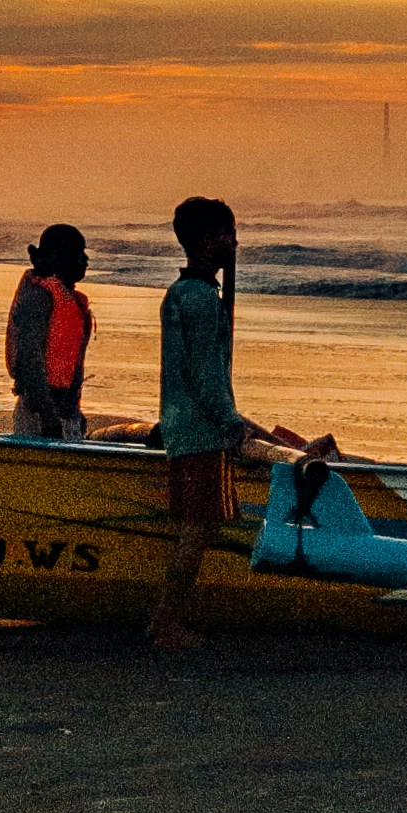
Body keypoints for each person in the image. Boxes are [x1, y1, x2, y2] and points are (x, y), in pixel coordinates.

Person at [147, 197, 305, 651]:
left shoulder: (186, 292)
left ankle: (166, 620)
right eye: (225, 235)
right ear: (201, 241)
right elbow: (204, 372)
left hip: (188, 422)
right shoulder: (198, 299)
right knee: (197, 529)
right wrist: (230, 422)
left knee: (200, 527)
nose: (234, 243)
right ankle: (165, 623)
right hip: (199, 430)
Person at [2, 224, 94, 441]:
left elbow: (74, 368)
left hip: (64, 409)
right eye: (78, 253)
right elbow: (29, 360)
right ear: (57, 256)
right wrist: (47, 414)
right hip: (39, 413)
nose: (85, 260)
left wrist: (74, 411)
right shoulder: (38, 297)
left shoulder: (73, 302)